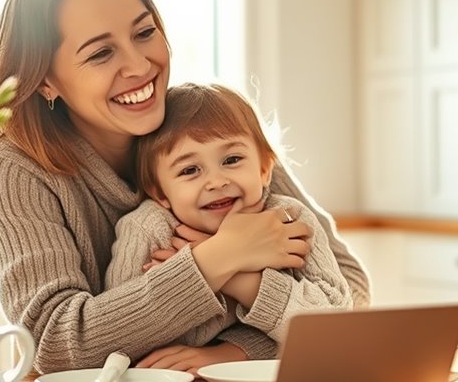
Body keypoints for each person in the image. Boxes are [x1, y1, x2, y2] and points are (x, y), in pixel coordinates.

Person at [0, 0, 370, 375]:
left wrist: (235, 353)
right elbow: (54, 343)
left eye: (144, 33)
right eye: (100, 53)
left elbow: (349, 287)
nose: (139, 64)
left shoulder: (208, 130)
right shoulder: (15, 171)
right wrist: (218, 258)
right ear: (46, 81)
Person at [105, 83, 353, 348]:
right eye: (190, 170)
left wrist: (238, 281)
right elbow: (121, 335)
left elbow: (336, 325)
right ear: (160, 193)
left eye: (232, 160)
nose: (216, 181)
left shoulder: (292, 219)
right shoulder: (147, 229)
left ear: (264, 169)